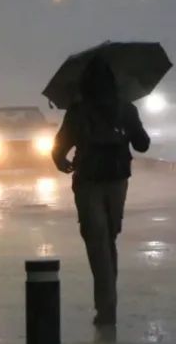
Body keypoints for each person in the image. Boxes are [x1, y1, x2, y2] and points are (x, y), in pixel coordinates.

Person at [52, 56, 150, 326]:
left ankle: (106, 305)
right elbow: (143, 145)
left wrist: (63, 163)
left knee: (97, 241)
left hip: (88, 180)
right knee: (109, 238)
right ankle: (108, 301)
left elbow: (59, 148)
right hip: (117, 179)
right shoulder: (125, 109)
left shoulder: (78, 111)